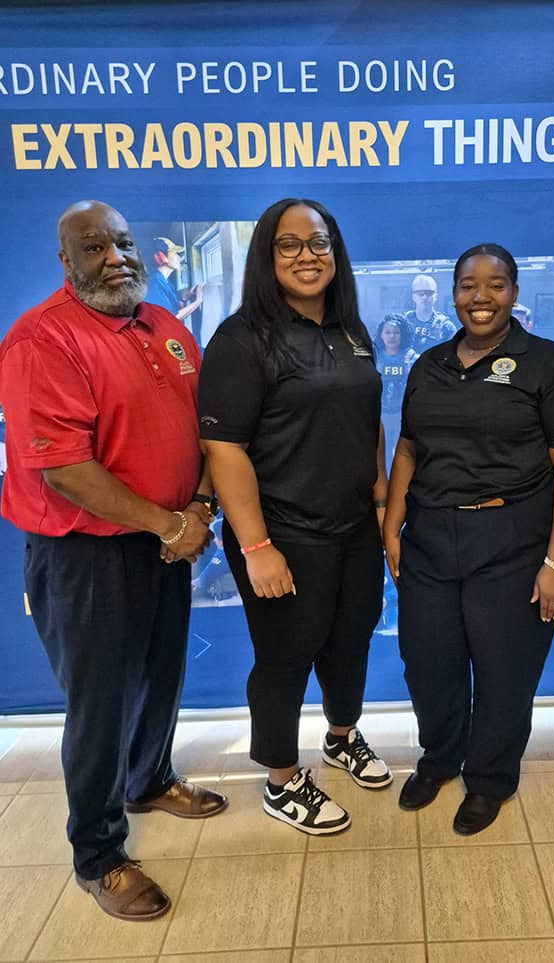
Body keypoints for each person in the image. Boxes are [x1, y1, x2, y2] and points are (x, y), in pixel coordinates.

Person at [0, 201, 227, 922]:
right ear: (65, 260)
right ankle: (98, 853)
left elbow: (201, 429)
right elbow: (65, 467)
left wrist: (195, 511)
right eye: (95, 247)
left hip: (166, 538)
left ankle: (150, 779)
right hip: (83, 554)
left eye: (124, 243)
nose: (116, 258)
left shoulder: (164, 326)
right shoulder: (43, 338)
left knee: (163, 670)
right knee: (98, 703)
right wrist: (169, 521)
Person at [384, 243, 554, 835]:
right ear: (453, 293)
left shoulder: (549, 365)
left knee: (504, 671)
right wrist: (391, 525)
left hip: (512, 538)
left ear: (515, 291)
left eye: (496, 284)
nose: (481, 297)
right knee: (428, 664)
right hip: (429, 537)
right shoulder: (429, 365)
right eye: (468, 285)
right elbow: (408, 448)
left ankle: (490, 778)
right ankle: (439, 759)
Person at [198, 198, 392, 837]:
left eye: (319, 242)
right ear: (266, 255)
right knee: (285, 655)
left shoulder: (352, 331)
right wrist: (256, 547)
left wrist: (383, 501)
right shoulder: (242, 337)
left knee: (350, 639)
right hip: (282, 532)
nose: (307, 256)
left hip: (353, 527)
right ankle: (281, 780)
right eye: (289, 244)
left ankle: (341, 737)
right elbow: (223, 449)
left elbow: (368, 425)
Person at [373, 313, 418, 468]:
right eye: (388, 332)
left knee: (402, 453)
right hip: (379, 414)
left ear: (402, 335)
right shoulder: (374, 358)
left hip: (403, 415)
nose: (392, 336)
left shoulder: (412, 358)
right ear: (381, 334)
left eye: (396, 332)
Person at [146, 236, 204, 331]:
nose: (178, 257)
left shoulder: (166, 281)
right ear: (162, 257)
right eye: (175, 253)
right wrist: (198, 301)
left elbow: (174, 307)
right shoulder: (154, 284)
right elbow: (173, 317)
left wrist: (186, 298)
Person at [405, 273, 456, 353]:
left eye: (429, 293)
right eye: (420, 293)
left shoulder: (446, 326)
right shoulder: (403, 323)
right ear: (413, 297)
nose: (424, 297)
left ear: (436, 296)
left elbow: (452, 355)